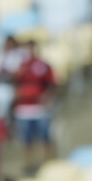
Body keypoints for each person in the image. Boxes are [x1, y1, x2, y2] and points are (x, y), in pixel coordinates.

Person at [12, 40, 57, 172]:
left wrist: (48, 97)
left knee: (45, 136)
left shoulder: (43, 65)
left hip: (39, 108)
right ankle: (29, 164)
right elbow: (15, 82)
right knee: (26, 139)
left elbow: (52, 83)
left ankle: (47, 163)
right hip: (23, 108)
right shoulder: (21, 66)